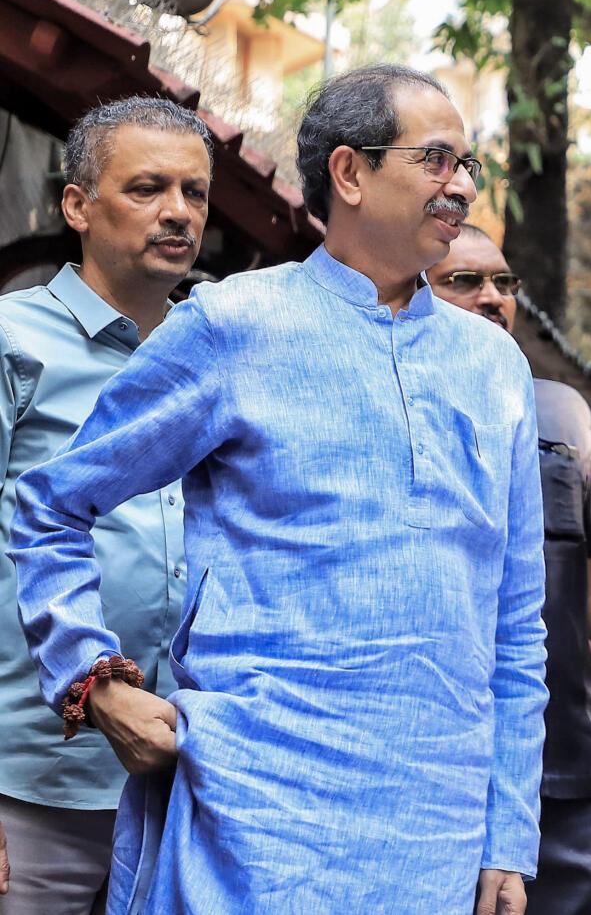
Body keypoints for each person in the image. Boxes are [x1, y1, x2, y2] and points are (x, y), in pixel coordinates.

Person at [8, 65, 546, 915]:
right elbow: (49, 505)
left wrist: (508, 835)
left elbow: (517, 627)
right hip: (254, 828)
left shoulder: (497, 367)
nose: (465, 186)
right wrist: (94, 678)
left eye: (470, 164)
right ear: (350, 172)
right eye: (439, 160)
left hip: (435, 842)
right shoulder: (236, 325)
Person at [0, 97, 210, 915]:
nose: (178, 213)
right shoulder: (13, 340)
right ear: (78, 206)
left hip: (187, 779)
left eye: (194, 192)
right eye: (148, 188)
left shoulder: (222, 351)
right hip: (31, 781)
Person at [426, 223, 591, 914]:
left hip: (571, 772)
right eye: (463, 281)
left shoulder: (561, 409)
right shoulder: (392, 406)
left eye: (503, 282)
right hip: (438, 770)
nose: (492, 297)